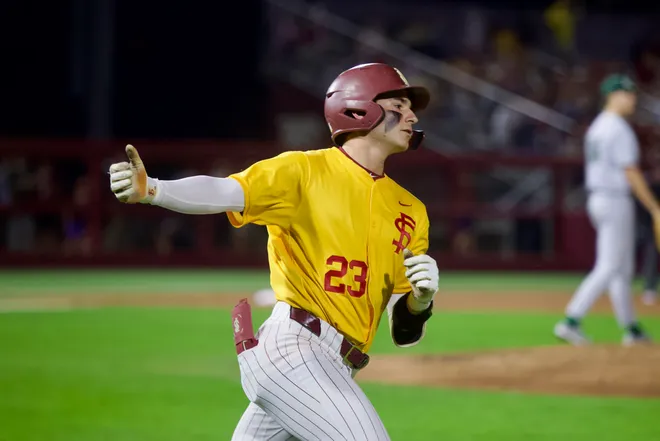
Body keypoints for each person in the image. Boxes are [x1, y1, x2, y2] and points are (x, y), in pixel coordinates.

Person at [108, 63, 440, 440]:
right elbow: (224, 192)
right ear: (358, 107)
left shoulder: (411, 211)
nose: (412, 115)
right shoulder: (304, 170)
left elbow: (404, 331)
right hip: (294, 349)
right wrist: (153, 189)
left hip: (336, 364)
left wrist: (420, 300)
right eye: (399, 103)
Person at [554, 74, 657, 346]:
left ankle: (631, 328)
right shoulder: (618, 128)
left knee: (622, 269)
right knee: (610, 265)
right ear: (613, 95)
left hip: (599, 198)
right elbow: (631, 172)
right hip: (613, 199)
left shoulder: (598, 126)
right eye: (628, 93)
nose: (633, 98)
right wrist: (654, 207)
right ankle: (571, 320)